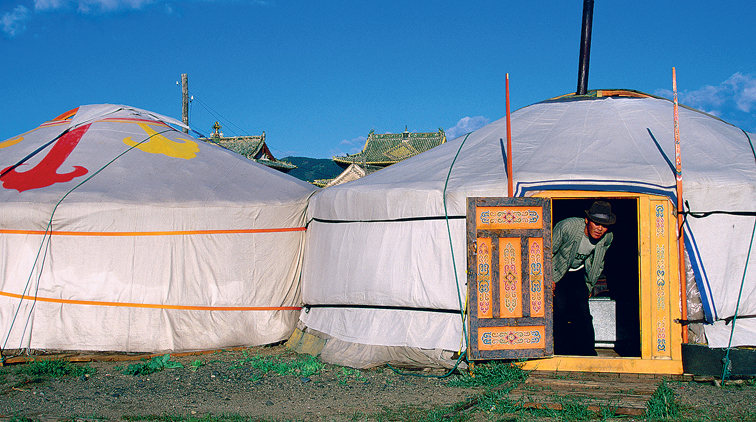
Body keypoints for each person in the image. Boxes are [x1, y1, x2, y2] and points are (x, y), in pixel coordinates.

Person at [552, 200, 615, 356]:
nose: (600, 228)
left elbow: (599, 263)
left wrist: (589, 285)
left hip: (578, 273)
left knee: (582, 313)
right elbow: (545, 250)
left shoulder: (607, 238)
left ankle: (587, 352)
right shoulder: (568, 227)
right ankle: (561, 351)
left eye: (604, 225)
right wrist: (546, 280)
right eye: (596, 223)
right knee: (559, 311)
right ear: (587, 220)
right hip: (556, 272)